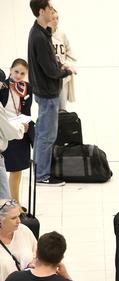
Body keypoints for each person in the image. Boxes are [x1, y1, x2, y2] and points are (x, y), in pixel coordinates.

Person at [28, 0, 76, 186]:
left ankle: (39, 169)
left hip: (42, 90)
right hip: (47, 92)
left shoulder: (40, 31)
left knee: (42, 133)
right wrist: (66, 71)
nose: (52, 11)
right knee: (47, 135)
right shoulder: (39, 37)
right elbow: (50, 70)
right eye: (49, 8)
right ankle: (42, 176)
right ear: (41, 11)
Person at [1, 59, 35, 207]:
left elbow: (26, 110)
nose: (19, 75)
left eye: (22, 73)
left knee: (17, 169)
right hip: (5, 131)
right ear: (10, 70)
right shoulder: (2, 86)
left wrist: (26, 124)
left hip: (20, 130)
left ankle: (15, 203)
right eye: (16, 72)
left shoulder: (27, 88)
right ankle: (6, 204)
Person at [49, 8, 75, 112]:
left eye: (57, 18)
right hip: (50, 76)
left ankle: (62, 127)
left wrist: (67, 64)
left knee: (62, 108)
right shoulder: (42, 36)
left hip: (62, 76)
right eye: (53, 18)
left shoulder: (62, 35)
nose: (55, 21)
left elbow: (70, 52)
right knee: (51, 108)